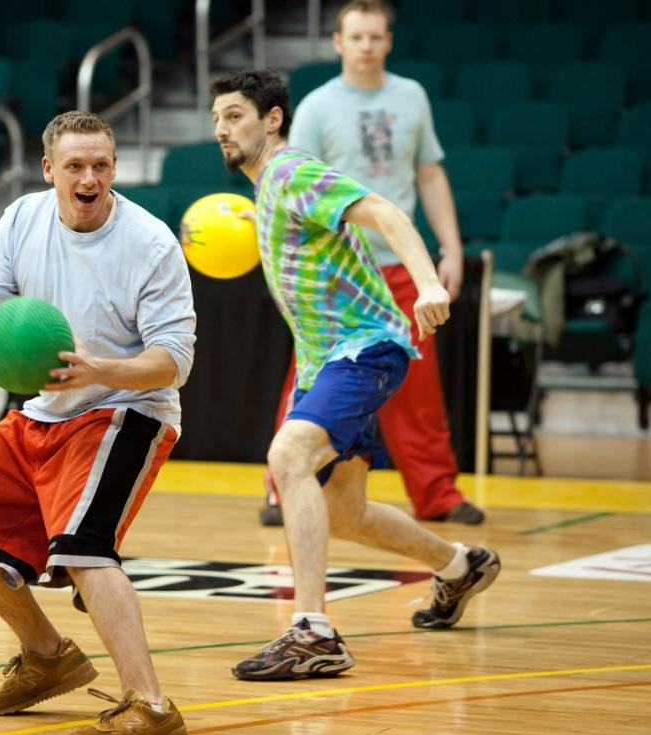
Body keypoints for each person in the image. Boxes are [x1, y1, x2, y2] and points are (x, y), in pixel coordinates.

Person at [0, 111, 195, 735]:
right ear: (50, 170)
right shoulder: (22, 219)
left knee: (82, 548)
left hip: (130, 410)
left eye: (101, 164)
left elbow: (174, 360)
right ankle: (47, 656)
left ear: (115, 168)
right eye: (75, 165)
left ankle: (151, 706)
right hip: (45, 410)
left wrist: (103, 369)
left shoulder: (150, 243)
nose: (89, 177)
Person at [210, 69, 499, 680]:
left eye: (234, 115)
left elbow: (387, 211)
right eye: (216, 118)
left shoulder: (292, 172)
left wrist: (425, 284)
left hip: (364, 347)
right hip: (328, 362)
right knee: (346, 514)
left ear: (272, 120)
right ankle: (457, 565)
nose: (221, 129)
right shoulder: (266, 189)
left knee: (288, 458)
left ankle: (313, 633)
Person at [259, 0, 483, 529]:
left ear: (388, 41)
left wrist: (449, 249)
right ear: (337, 42)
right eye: (356, 37)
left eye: (375, 37)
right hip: (337, 272)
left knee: (419, 387)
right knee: (310, 375)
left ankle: (438, 495)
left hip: (399, 263)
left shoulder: (411, 97)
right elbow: (287, 182)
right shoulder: (314, 107)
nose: (366, 46)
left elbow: (429, 175)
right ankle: (281, 488)